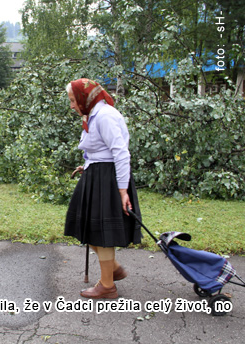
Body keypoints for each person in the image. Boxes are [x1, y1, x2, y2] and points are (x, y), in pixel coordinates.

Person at [64, 78, 142, 299]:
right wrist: (88, 164)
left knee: (100, 233)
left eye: (72, 100)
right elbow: (100, 149)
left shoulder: (105, 116)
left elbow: (120, 153)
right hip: (97, 173)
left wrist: (123, 190)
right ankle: (113, 268)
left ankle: (107, 285)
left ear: (83, 97)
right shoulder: (95, 114)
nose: (71, 106)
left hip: (107, 179)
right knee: (88, 228)